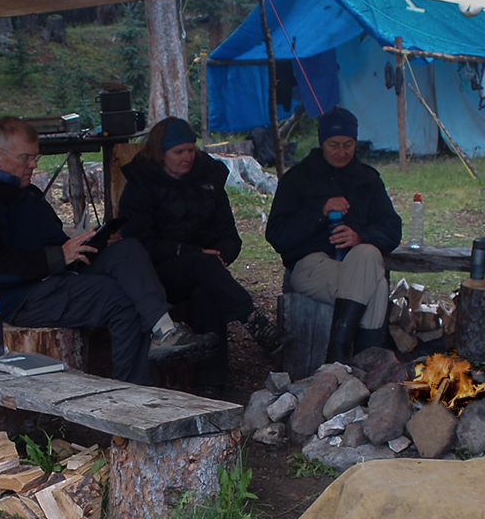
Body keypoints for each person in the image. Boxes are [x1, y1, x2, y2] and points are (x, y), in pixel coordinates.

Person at [0, 117, 214, 385]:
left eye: (35, 157)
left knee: (127, 249)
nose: (33, 164)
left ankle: (164, 331)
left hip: (58, 272)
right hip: (26, 296)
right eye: (25, 158)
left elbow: (46, 240)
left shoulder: (24, 191)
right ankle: (131, 393)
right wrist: (59, 256)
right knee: (122, 298)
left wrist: (89, 242)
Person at [119, 117, 286, 394]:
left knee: (206, 290)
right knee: (202, 268)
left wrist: (221, 256)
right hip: (158, 274)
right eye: (179, 152)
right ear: (162, 154)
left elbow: (230, 235)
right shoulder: (141, 185)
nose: (187, 157)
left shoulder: (208, 179)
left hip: (207, 268)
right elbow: (138, 244)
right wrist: (193, 253)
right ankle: (252, 320)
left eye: (191, 150)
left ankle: (214, 384)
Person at [265, 106, 402, 362]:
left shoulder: (367, 179)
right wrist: (321, 211)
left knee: (366, 254)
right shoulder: (298, 178)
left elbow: (392, 227)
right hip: (311, 266)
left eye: (348, 144)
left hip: (358, 265)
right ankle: (360, 363)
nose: (342, 152)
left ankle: (338, 360)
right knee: (377, 285)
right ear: (322, 142)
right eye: (334, 145)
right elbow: (277, 234)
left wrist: (360, 236)